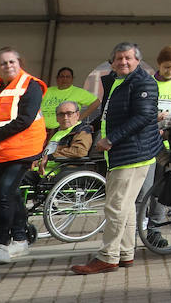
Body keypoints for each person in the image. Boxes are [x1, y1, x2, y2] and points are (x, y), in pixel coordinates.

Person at [70, 42, 163, 275]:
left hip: (132, 152)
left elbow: (143, 116)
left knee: (115, 206)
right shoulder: (116, 81)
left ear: (137, 61)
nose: (123, 62)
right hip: (124, 152)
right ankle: (124, 253)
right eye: (119, 58)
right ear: (112, 62)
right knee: (126, 206)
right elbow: (108, 110)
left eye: (128, 58)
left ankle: (107, 256)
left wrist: (110, 139)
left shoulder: (143, 82)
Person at [0, 47, 47, 265]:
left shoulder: (31, 86)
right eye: (3, 63)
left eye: (12, 62)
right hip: (0, 150)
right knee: (11, 192)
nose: (8, 66)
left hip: (24, 148)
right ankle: (20, 237)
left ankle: (3, 242)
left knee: (4, 192)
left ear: (20, 63)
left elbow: (24, 120)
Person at [35, 100, 94, 177]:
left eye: (69, 114)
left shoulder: (82, 131)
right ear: (57, 118)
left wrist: (51, 156)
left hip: (59, 171)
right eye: (61, 114)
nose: (65, 118)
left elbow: (80, 151)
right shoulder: (55, 131)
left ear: (77, 114)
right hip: (41, 168)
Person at [41, 67, 98, 133]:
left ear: (72, 79)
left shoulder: (78, 92)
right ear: (57, 78)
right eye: (62, 76)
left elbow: (96, 102)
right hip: (41, 129)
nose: (64, 79)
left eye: (67, 77)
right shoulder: (47, 90)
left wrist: (79, 118)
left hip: (63, 130)